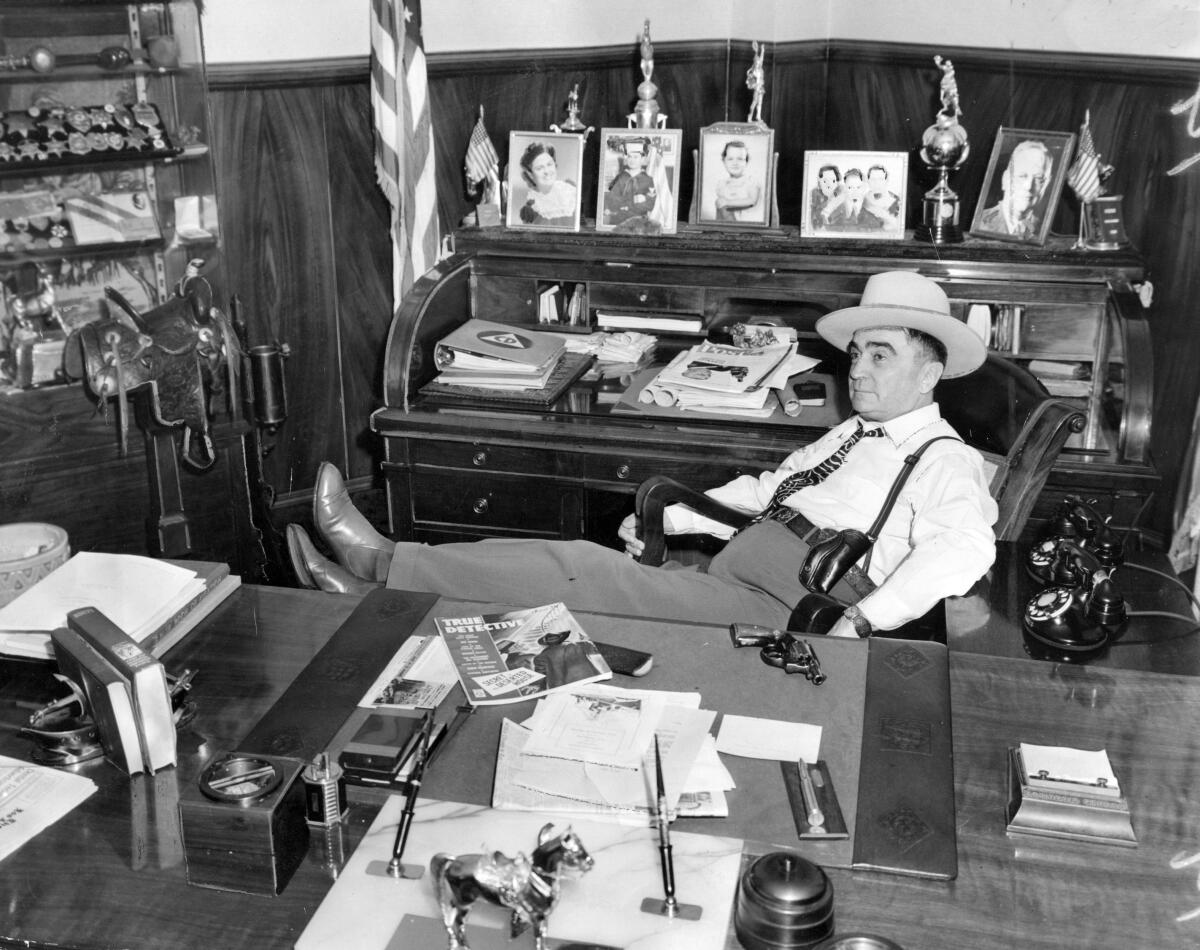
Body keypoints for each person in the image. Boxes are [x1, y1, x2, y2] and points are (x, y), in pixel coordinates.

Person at [287, 270, 997, 640]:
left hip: (779, 608)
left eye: (882, 355)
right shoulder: (853, 433)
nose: (858, 371)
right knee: (570, 566)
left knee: (578, 571)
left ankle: (380, 564)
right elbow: (766, 494)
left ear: (931, 373)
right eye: (857, 353)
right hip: (742, 566)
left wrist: (862, 619)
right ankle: (374, 591)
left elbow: (963, 552)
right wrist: (682, 523)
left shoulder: (943, 460)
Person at [976, 140, 1052, 239]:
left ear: (1046, 185)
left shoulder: (1044, 230)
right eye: (1022, 176)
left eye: (1038, 178)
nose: (1029, 186)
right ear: (1005, 179)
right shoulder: (979, 222)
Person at [516, 142, 577, 227]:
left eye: (549, 164)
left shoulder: (570, 189)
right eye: (539, 168)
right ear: (531, 175)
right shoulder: (531, 208)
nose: (547, 171)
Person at [603, 137, 658, 231]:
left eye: (635, 157)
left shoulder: (648, 180)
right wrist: (630, 202)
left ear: (643, 159)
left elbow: (650, 204)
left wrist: (638, 202)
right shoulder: (621, 178)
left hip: (639, 221)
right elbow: (612, 198)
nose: (632, 160)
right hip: (620, 220)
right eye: (629, 156)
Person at [712, 140, 762, 222]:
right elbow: (721, 209)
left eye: (740, 159)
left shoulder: (751, 181)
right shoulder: (722, 184)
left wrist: (728, 202)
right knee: (719, 203)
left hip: (748, 223)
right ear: (724, 161)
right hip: (728, 222)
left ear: (746, 161)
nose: (735, 163)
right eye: (730, 159)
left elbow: (752, 200)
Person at [863, 165, 902, 229]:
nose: (877, 183)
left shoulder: (896, 201)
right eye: (873, 179)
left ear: (886, 181)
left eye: (880, 179)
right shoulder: (862, 200)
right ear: (868, 181)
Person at [808, 164, 842, 230]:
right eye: (824, 181)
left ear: (837, 182)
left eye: (833, 181)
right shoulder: (814, 195)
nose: (829, 184)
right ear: (819, 181)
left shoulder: (839, 195)